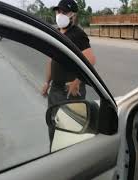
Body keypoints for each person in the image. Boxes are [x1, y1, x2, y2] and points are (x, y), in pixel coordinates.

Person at [42, 0, 96, 145]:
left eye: (64, 12)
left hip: (70, 92)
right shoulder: (56, 32)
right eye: (58, 11)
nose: (60, 15)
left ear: (72, 15)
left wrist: (77, 82)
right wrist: (47, 82)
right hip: (55, 90)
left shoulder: (78, 34)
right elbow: (51, 60)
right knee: (53, 125)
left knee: (71, 131)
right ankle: (54, 154)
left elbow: (91, 59)